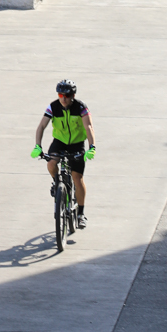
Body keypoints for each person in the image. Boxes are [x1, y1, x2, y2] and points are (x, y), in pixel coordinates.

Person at [31, 80, 96, 229]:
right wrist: (38, 145)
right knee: (51, 162)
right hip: (59, 142)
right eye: (60, 95)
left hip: (76, 143)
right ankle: (56, 182)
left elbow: (88, 127)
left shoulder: (81, 107)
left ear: (73, 95)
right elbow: (41, 126)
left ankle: (81, 214)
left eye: (67, 95)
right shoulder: (53, 107)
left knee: (77, 178)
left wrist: (92, 147)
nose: (63, 98)